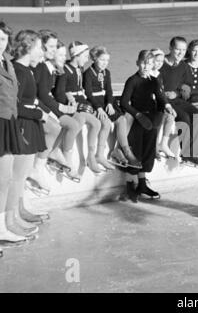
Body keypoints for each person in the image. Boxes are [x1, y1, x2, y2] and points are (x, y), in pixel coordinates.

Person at [120, 50, 176, 202]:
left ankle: (142, 184)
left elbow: (160, 97)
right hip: (139, 120)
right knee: (136, 153)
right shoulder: (132, 80)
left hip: (150, 121)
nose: (146, 66)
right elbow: (124, 102)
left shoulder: (153, 80)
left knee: (147, 154)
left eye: (149, 64)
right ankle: (130, 186)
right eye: (144, 63)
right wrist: (137, 115)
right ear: (138, 63)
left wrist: (167, 106)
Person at [8, 29, 48, 240]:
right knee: (16, 178)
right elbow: (14, 105)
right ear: (29, 48)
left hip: (29, 124)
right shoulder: (19, 71)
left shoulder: (26, 70)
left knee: (20, 177)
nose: (41, 53)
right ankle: (11, 220)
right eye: (39, 48)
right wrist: (38, 113)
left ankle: (18, 212)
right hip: (23, 125)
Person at [30, 30, 81, 193]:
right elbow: (43, 95)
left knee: (68, 122)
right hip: (36, 108)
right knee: (59, 125)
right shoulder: (43, 67)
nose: (62, 58)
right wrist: (59, 110)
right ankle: (47, 159)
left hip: (42, 106)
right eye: (50, 47)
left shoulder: (49, 68)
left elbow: (48, 93)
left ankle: (54, 153)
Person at [83, 45, 142, 169]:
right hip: (95, 103)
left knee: (122, 120)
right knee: (107, 124)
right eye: (102, 60)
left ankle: (124, 151)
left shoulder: (107, 72)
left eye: (107, 60)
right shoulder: (88, 73)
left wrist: (110, 103)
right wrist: (98, 107)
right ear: (94, 58)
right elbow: (88, 93)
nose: (105, 63)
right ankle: (99, 154)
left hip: (106, 103)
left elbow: (109, 90)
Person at [0, 22, 32, 245]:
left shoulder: (6, 63)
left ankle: (3, 226)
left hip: (8, 122)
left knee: (6, 179)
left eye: (2, 39)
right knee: (2, 179)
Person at [53, 41, 103, 175]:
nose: (87, 59)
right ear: (77, 55)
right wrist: (71, 100)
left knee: (97, 123)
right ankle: (66, 154)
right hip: (70, 106)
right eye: (85, 56)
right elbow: (60, 93)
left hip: (78, 103)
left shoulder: (79, 69)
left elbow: (79, 90)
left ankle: (91, 157)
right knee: (79, 122)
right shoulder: (65, 71)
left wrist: (88, 104)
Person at [159, 36, 198, 168]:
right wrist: (164, 94)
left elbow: (186, 86)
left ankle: (194, 152)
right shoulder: (161, 63)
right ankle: (186, 154)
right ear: (170, 48)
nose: (180, 53)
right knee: (183, 117)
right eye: (177, 49)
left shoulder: (183, 66)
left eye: (183, 50)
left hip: (176, 98)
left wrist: (177, 93)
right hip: (163, 100)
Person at [150, 48, 178, 160]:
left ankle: (164, 144)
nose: (159, 64)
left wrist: (168, 105)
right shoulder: (148, 74)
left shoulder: (158, 74)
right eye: (157, 61)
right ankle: (154, 146)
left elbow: (160, 93)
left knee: (170, 116)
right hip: (149, 104)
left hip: (159, 102)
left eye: (161, 62)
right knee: (159, 117)